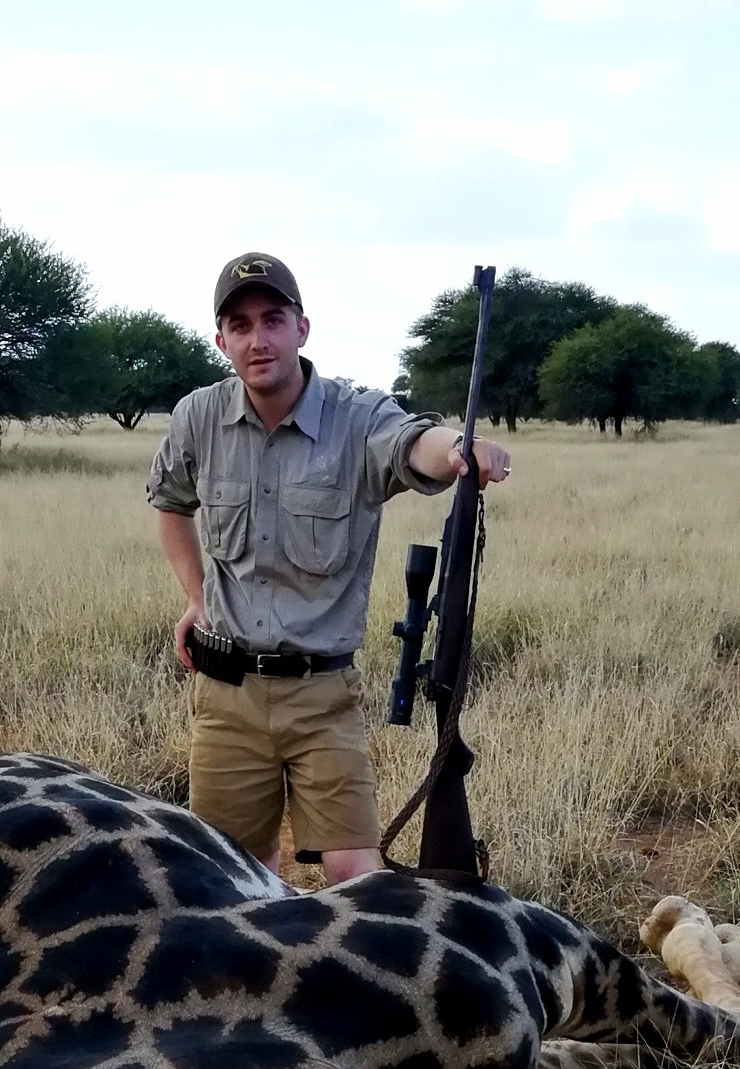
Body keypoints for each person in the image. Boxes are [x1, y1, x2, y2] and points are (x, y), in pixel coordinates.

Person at [148, 252, 510, 888]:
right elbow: (171, 505)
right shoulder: (197, 416)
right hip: (226, 690)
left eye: (273, 319)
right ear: (221, 340)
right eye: (239, 325)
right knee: (235, 876)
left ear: (302, 328)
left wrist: (460, 450)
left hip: (322, 695)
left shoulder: (357, 416)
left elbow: (413, 443)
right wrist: (195, 596)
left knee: (356, 876)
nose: (258, 339)